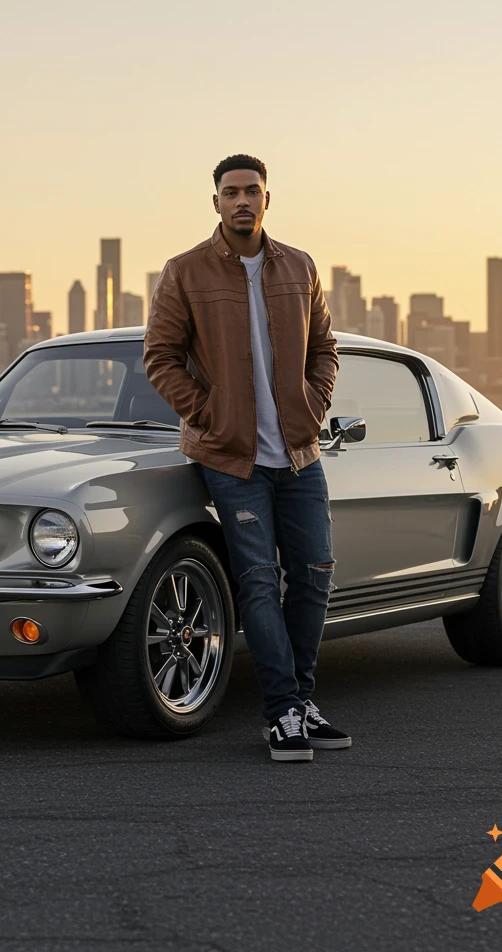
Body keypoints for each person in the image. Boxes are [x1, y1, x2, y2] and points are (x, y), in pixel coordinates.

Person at [144, 153, 350, 762]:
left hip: (299, 452)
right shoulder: (185, 272)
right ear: (215, 202)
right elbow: (160, 356)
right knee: (259, 582)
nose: (241, 200)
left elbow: (325, 348)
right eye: (230, 192)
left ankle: (303, 704)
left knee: (314, 575)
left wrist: (313, 405)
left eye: (251, 191)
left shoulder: (300, 267)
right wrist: (208, 414)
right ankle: (282, 712)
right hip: (231, 458)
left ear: (267, 199)